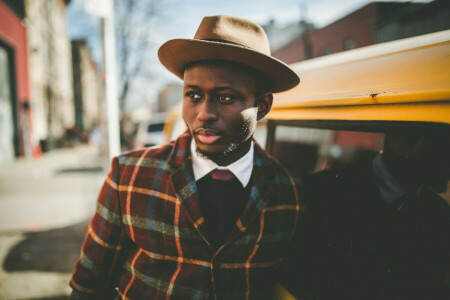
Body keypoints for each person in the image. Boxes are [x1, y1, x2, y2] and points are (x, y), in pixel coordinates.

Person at [70, 15, 302, 299]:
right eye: (193, 95)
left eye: (225, 97)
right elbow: (88, 286)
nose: (204, 113)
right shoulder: (128, 175)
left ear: (262, 106)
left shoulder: (289, 192)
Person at [282, 130, 450, 300]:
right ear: (402, 140)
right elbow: (295, 275)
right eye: (444, 144)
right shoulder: (320, 191)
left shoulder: (440, 215)